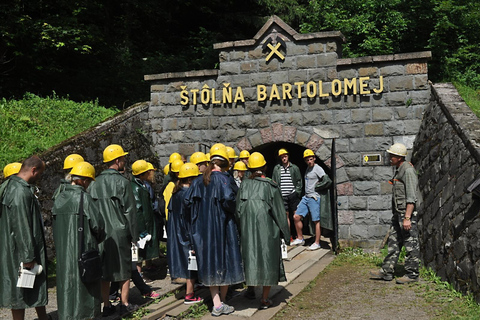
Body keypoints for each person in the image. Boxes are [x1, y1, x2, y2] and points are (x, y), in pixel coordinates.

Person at [184, 143, 244, 317]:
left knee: (210, 263)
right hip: (223, 227)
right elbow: (230, 201)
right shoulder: (225, 179)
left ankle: (217, 301)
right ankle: (220, 303)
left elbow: (188, 204)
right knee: (226, 262)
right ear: (225, 162)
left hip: (203, 230)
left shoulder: (198, 181)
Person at [236, 152, 290, 309]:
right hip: (268, 231)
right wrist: (286, 235)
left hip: (247, 231)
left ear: (249, 168)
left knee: (250, 257)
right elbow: (280, 213)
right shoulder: (271, 186)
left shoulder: (244, 185)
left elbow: (238, 211)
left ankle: (251, 290)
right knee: (268, 260)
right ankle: (265, 299)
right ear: (264, 167)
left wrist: (241, 228)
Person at [52, 161, 106, 320]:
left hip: (63, 254)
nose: (89, 184)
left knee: (65, 288)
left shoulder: (58, 197)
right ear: (82, 180)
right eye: (89, 181)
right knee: (86, 290)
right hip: (84, 251)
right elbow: (99, 227)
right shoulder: (85, 198)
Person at [89, 144, 138, 316]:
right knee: (124, 268)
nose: (125, 161)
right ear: (117, 161)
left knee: (103, 270)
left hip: (100, 233)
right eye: (123, 158)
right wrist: (134, 236)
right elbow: (130, 211)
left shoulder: (94, 183)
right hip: (120, 230)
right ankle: (124, 304)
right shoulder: (123, 182)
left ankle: (106, 305)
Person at [0, 156, 48, 320]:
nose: (39, 177)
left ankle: (44, 317)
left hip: (17, 248)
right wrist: (28, 256)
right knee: (19, 293)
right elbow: (21, 225)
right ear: (33, 170)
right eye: (39, 173)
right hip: (21, 251)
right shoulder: (20, 192)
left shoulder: (11, 187)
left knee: (28, 288)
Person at [370, 143, 421, 284]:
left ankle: (412, 274)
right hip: (399, 214)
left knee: (411, 244)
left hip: (407, 215)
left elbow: (411, 197)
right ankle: (387, 271)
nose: (389, 157)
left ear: (399, 157)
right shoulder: (400, 169)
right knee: (393, 242)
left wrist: (407, 218)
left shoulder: (408, 171)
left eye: (392, 155)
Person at [167, 163, 203, 304]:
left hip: (177, 232)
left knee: (187, 262)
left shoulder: (176, 193)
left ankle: (191, 289)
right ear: (189, 180)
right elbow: (190, 218)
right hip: (186, 233)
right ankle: (189, 294)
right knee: (191, 263)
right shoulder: (188, 195)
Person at [130, 160, 159, 297]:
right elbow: (138, 209)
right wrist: (141, 230)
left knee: (141, 253)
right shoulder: (136, 187)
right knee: (139, 254)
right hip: (142, 227)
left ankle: (139, 277)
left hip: (146, 224)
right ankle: (139, 277)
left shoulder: (140, 185)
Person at [291, 149, 325, 251]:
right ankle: (300, 238)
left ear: (314, 158)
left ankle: (317, 242)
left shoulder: (317, 168)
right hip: (306, 197)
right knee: (296, 216)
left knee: (316, 220)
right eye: (307, 160)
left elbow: (326, 179)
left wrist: (319, 186)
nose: (309, 161)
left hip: (314, 197)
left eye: (311, 159)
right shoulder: (307, 169)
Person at [272, 148, 303, 234]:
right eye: (282, 157)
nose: (284, 159)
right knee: (285, 216)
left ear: (288, 156)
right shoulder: (277, 169)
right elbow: (274, 181)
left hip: (293, 194)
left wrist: (297, 192)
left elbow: (299, 181)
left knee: (296, 216)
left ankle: (299, 236)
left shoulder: (294, 168)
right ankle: (288, 237)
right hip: (282, 195)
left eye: (285, 156)